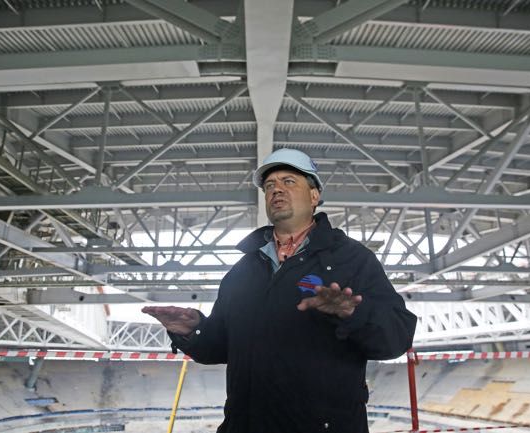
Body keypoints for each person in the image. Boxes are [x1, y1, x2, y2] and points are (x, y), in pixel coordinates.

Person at [143, 148, 417, 433]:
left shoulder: (352, 259)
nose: (276, 190)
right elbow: (221, 347)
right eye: (270, 185)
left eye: (289, 181)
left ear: (314, 196)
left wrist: (354, 313)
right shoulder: (243, 270)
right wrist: (193, 330)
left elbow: (397, 338)